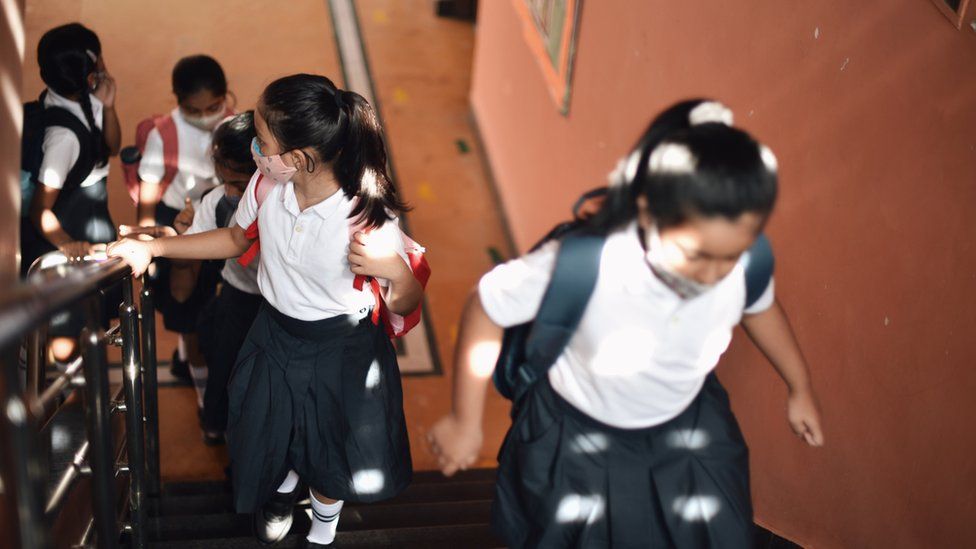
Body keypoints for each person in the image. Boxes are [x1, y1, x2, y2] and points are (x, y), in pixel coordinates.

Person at [428, 100, 825, 548]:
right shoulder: (587, 264)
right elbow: (486, 306)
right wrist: (466, 421)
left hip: (688, 424)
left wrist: (800, 386)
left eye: (730, 257)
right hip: (575, 434)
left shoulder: (744, 259)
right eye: (696, 256)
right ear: (647, 209)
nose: (714, 275)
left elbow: (760, 308)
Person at [109, 74, 421, 548]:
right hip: (274, 334)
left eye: (261, 138)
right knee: (267, 429)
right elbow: (236, 239)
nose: (254, 147)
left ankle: (322, 526)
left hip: (341, 349)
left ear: (296, 157)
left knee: (330, 446)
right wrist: (157, 250)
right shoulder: (270, 183)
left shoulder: (366, 219)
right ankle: (282, 491)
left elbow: (405, 300)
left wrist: (394, 271)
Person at [20, 22, 120, 362]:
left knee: (87, 319)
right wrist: (67, 243)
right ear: (92, 68)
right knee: (66, 331)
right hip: (68, 229)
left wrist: (108, 106)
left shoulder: (86, 97)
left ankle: (76, 391)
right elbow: (40, 209)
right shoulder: (61, 137)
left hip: (93, 219)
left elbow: (113, 146)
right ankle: (56, 398)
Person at [137, 54, 232, 385]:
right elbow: (149, 189)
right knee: (184, 295)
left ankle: (187, 352)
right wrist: (147, 237)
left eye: (214, 107)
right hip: (175, 217)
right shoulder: (163, 134)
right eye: (195, 111)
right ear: (178, 101)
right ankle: (198, 374)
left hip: (217, 213)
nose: (206, 117)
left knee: (206, 290)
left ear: (225, 97)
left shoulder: (232, 126)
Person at [174, 111, 261, 445]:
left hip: (280, 308)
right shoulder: (216, 203)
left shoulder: (292, 207)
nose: (230, 191)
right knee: (224, 368)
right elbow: (182, 290)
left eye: (239, 184)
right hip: (238, 298)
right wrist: (181, 241)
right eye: (223, 179)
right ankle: (216, 424)